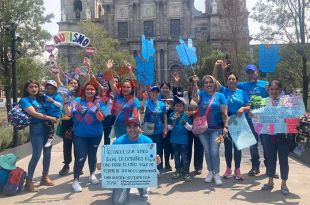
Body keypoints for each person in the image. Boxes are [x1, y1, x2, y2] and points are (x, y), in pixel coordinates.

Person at [64, 82, 107, 192]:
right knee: (81, 156)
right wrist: (65, 103)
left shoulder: (99, 102)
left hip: (96, 134)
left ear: (95, 91)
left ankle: (92, 174)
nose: (89, 91)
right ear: (84, 90)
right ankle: (76, 180)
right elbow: (69, 114)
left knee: (92, 155)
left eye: (92, 89)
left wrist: (96, 108)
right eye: (88, 89)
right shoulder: (77, 101)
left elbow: (102, 118)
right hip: (80, 135)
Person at [213, 61, 251, 179]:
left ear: (237, 81)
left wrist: (243, 108)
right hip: (227, 120)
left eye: (233, 79)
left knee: (238, 146)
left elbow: (249, 105)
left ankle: (237, 170)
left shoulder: (242, 92)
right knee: (228, 146)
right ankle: (228, 168)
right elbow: (214, 80)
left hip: (239, 120)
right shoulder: (224, 91)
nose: (231, 81)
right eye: (229, 79)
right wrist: (216, 67)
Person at [110, 117, 160, 205]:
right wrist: (104, 164)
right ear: (126, 128)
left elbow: (151, 162)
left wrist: (156, 161)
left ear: (139, 128)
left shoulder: (147, 141)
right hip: (123, 176)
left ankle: (142, 188)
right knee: (117, 202)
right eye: (129, 127)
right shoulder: (118, 142)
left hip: (140, 174)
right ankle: (125, 188)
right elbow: (111, 161)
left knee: (155, 172)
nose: (132, 130)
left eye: (135, 127)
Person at [20, 80, 58, 192]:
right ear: (27, 89)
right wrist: (50, 118)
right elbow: (35, 114)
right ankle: (29, 182)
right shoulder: (25, 100)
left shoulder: (41, 98)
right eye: (31, 87)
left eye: (36, 86)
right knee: (36, 154)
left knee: (47, 153)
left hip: (48, 128)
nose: (34, 89)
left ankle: (45, 177)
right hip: (37, 129)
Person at [236, 64, 269, 176]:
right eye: (248, 72)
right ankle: (255, 167)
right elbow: (230, 83)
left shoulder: (265, 84)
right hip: (250, 120)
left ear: (257, 72)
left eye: (252, 72)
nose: (251, 74)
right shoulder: (243, 85)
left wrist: (269, 91)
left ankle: (270, 167)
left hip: (264, 120)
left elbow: (273, 97)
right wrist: (225, 70)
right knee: (253, 145)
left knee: (266, 144)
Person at [259, 80, 292, 195]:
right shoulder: (263, 101)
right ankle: (270, 181)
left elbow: (293, 115)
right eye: (271, 89)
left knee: (283, 160)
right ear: (268, 90)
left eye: (276, 89)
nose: (273, 91)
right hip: (268, 135)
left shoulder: (286, 101)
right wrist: (253, 114)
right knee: (270, 159)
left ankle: (284, 184)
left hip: (283, 134)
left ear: (280, 90)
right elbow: (257, 115)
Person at [196, 75, 228, 186]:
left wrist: (225, 126)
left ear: (214, 83)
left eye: (210, 82)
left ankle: (216, 173)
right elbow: (194, 101)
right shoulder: (200, 94)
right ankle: (210, 171)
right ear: (203, 85)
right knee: (207, 151)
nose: (208, 84)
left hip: (217, 129)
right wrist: (195, 84)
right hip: (202, 129)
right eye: (206, 83)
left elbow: (224, 113)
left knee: (214, 152)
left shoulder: (221, 96)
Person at [54, 71, 82, 176]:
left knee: (78, 145)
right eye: (72, 83)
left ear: (78, 85)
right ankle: (66, 165)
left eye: (76, 83)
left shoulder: (81, 95)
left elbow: (89, 82)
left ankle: (77, 166)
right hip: (66, 121)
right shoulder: (65, 93)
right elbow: (59, 83)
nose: (74, 85)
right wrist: (56, 75)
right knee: (66, 145)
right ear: (68, 84)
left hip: (78, 123)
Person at [142, 86, 168, 176]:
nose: (154, 94)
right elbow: (141, 112)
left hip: (159, 129)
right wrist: (143, 100)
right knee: (149, 149)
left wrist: (165, 129)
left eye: (157, 92)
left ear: (158, 94)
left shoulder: (162, 104)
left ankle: (158, 168)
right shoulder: (146, 103)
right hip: (147, 130)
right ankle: (149, 168)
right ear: (150, 93)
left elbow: (164, 117)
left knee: (159, 149)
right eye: (153, 92)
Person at [183, 76, 204, 175]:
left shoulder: (201, 93)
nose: (191, 86)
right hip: (187, 122)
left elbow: (202, 106)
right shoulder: (184, 94)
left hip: (198, 121)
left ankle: (198, 166)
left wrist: (194, 112)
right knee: (187, 145)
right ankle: (185, 166)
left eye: (193, 84)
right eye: (189, 85)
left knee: (198, 145)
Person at [169, 96, 192, 182]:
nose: (178, 108)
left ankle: (186, 172)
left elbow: (190, 128)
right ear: (174, 107)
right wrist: (173, 123)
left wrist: (185, 123)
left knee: (184, 156)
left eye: (180, 106)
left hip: (183, 140)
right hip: (174, 139)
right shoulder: (172, 115)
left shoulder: (186, 115)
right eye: (176, 106)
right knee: (176, 156)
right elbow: (169, 128)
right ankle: (178, 170)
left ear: (183, 107)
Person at [43, 80, 63, 148]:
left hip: (55, 114)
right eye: (48, 88)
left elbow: (60, 105)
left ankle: (51, 137)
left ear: (55, 89)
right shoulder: (45, 95)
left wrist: (53, 101)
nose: (49, 90)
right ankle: (49, 136)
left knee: (49, 124)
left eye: (51, 88)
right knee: (45, 123)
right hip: (47, 113)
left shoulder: (57, 96)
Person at [159, 82, 174, 171]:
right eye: (163, 88)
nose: (165, 89)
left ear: (169, 89)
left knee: (168, 146)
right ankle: (159, 164)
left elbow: (175, 112)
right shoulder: (157, 99)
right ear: (160, 89)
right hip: (159, 126)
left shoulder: (172, 100)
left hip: (170, 126)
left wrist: (171, 105)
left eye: (167, 88)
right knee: (160, 146)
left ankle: (167, 163)